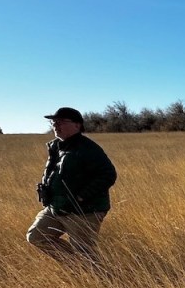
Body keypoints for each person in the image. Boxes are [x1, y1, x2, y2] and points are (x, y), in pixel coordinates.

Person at [27, 107, 118, 261]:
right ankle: (77, 268)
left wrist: (81, 197)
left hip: (84, 211)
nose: (55, 125)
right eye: (54, 122)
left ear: (77, 125)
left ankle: (103, 281)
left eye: (61, 122)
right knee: (36, 236)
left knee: (85, 253)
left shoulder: (88, 148)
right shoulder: (56, 146)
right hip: (57, 207)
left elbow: (108, 175)